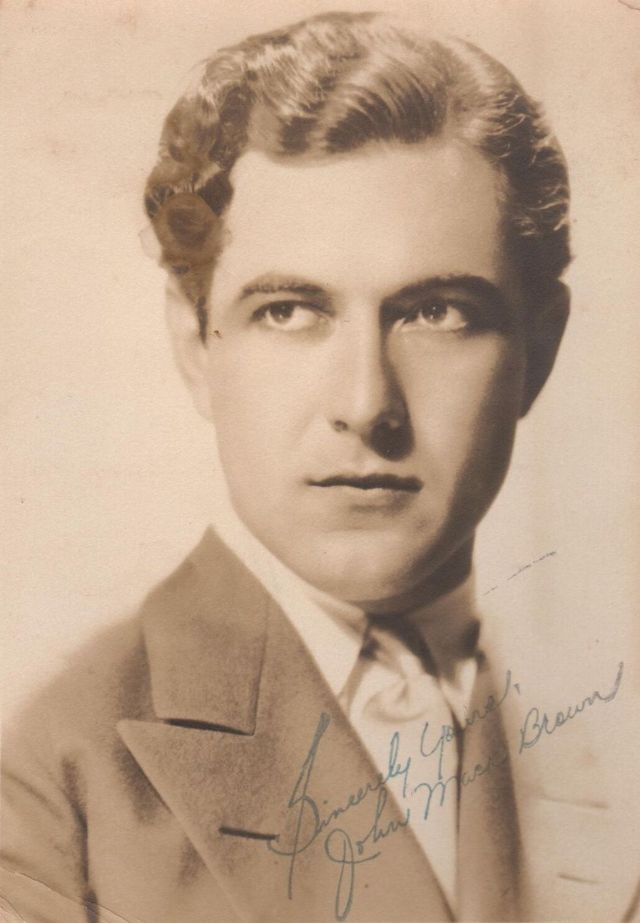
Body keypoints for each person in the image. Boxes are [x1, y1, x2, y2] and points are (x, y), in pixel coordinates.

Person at [1, 11, 637, 923]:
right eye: (290, 311)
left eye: (437, 312)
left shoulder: (608, 734)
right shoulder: (50, 771)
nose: (367, 402)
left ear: (539, 349)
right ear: (195, 345)